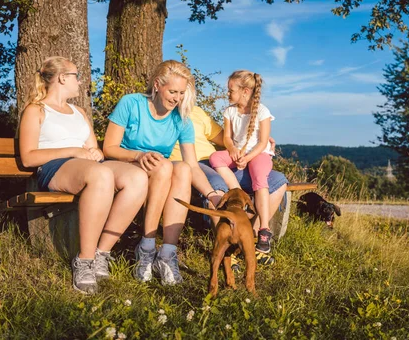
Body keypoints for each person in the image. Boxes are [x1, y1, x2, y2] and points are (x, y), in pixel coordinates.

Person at [19, 56, 148, 294]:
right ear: (62, 78)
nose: (81, 82)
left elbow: (93, 148)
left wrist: (95, 152)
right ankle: (84, 260)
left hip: (88, 167)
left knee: (137, 178)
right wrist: (73, 151)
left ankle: (102, 253)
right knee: (100, 175)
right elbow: (28, 157)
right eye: (76, 76)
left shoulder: (78, 111)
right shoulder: (36, 110)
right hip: (55, 167)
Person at [102, 60, 217, 286]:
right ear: (157, 85)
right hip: (124, 164)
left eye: (182, 93)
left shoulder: (182, 119)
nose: (177, 98)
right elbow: (109, 148)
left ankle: (166, 254)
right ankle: (146, 247)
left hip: (158, 171)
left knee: (182, 168)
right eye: (172, 91)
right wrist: (137, 156)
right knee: (164, 166)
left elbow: (193, 165)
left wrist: (212, 195)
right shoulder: (131, 103)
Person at [170, 105, 288, 264]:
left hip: (216, 161)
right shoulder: (162, 115)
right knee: (219, 188)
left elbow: (226, 139)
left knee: (277, 181)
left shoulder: (197, 111)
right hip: (192, 164)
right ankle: (225, 251)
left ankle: (250, 241)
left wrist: (261, 143)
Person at [209, 70, 276, 254]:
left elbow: (262, 142)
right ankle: (235, 190)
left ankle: (264, 228)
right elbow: (228, 138)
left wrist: (247, 157)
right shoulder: (230, 111)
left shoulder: (262, 111)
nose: (227, 94)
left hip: (258, 153)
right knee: (215, 158)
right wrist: (234, 151)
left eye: (231, 90)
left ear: (245, 91)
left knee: (259, 176)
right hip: (237, 152)